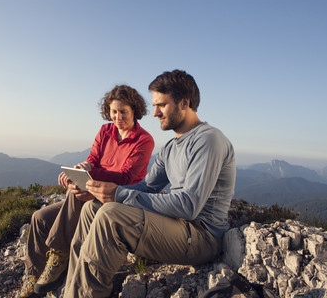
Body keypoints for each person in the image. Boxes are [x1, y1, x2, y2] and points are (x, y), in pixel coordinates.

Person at [63, 69, 236, 297]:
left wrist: (118, 195)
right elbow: (147, 187)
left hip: (202, 236)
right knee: (92, 209)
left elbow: (188, 205)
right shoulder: (170, 148)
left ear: (184, 103)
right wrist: (100, 192)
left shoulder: (207, 140)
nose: (154, 113)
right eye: (155, 105)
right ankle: (74, 289)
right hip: (178, 226)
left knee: (111, 215)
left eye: (161, 105)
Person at [19, 85, 155, 298]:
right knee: (39, 218)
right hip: (93, 191)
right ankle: (36, 278)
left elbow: (126, 177)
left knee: (77, 192)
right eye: (114, 112)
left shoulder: (144, 140)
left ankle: (59, 256)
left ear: (135, 110)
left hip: (118, 198)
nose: (118, 117)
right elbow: (92, 159)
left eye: (123, 112)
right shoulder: (105, 131)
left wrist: (91, 176)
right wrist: (81, 169)